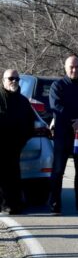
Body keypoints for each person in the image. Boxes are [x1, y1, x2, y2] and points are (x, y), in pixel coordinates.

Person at [48, 55, 78, 214]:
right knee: (58, 170)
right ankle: (55, 204)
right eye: (71, 67)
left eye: (77, 67)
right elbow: (56, 106)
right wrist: (73, 122)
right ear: (65, 67)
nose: (74, 70)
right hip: (63, 135)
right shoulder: (58, 86)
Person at [0, 70, 34, 214]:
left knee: (14, 175)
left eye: (17, 79)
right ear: (3, 80)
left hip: (16, 145)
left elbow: (30, 124)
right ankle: (4, 204)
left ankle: (14, 203)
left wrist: (22, 140)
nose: (14, 81)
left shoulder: (23, 101)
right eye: (10, 78)